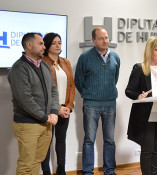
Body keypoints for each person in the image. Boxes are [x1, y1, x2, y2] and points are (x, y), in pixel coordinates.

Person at [7, 32, 59, 174]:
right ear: (29, 45)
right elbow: (25, 99)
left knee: (37, 161)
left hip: (46, 123)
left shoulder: (45, 66)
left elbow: (53, 90)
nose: (44, 46)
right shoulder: (19, 68)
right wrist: (45, 117)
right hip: (28, 124)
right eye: (41, 43)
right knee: (26, 164)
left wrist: (54, 112)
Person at [75, 27, 120, 175]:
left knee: (110, 140)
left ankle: (109, 170)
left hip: (110, 103)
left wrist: (106, 93)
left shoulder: (115, 57)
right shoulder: (85, 57)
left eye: (106, 37)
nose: (105, 41)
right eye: (101, 38)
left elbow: (115, 79)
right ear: (93, 40)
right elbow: (79, 80)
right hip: (91, 104)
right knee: (89, 140)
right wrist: (89, 94)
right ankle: (87, 172)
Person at [125, 36, 157, 175]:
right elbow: (129, 90)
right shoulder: (140, 68)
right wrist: (139, 96)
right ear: (150, 51)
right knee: (147, 151)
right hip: (146, 116)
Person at [41, 33, 75, 175]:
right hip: (49, 109)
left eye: (59, 42)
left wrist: (68, 106)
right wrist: (58, 108)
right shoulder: (42, 63)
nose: (58, 45)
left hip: (65, 109)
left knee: (61, 140)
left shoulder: (65, 62)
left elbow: (71, 85)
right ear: (47, 45)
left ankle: (61, 170)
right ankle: (46, 171)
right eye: (54, 43)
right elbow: (44, 89)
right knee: (46, 142)